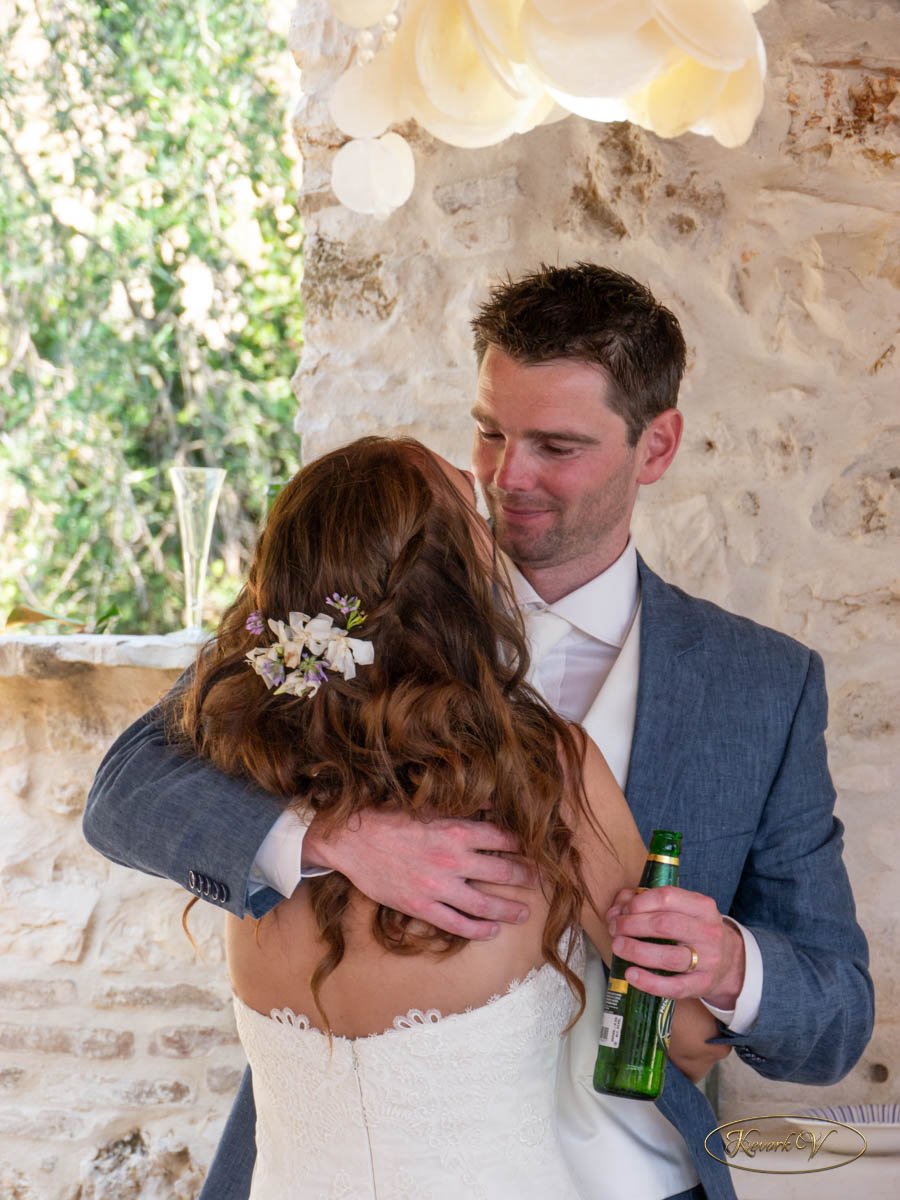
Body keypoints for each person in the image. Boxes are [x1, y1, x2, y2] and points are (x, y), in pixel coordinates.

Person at [84, 263, 873, 1200]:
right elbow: (124, 790)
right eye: (491, 433)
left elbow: (835, 1016)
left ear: (656, 446)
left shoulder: (762, 685)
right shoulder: (340, 625)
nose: (508, 477)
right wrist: (329, 838)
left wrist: (731, 963)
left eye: (557, 445)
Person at [164, 434, 725, 1197]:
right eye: (477, 518)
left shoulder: (237, 765)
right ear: (456, 588)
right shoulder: (549, 773)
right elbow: (684, 1040)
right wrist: (706, 956)